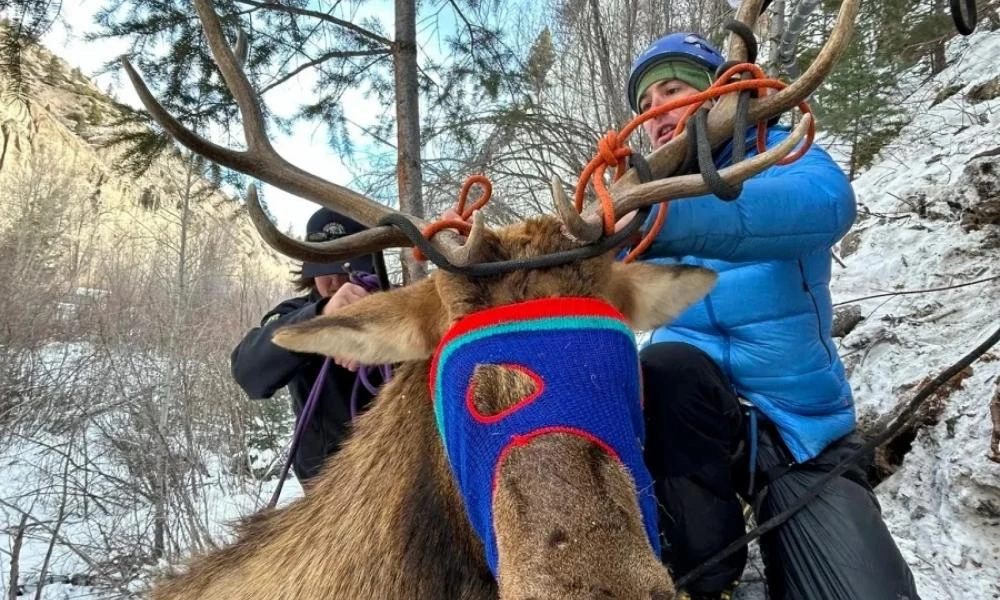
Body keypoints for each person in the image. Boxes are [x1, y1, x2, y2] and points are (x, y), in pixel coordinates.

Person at [625, 32, 921, 600]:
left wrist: (658, 218)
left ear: (719, 95)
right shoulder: (639, 196)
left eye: (670, 91)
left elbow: (825, 206)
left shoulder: (784, 155)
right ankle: (706, 576)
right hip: (689, 424)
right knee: (663, 366)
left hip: (799, 436)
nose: (656, 114)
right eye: (644, 107)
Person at [231, 208, 385, 484]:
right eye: (325, 270)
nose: (336, 281)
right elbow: (248, 371)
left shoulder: (396, 306)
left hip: (399, 472)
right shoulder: (294, 314)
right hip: (328, 488)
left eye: (346, 270)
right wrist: (320, 319)